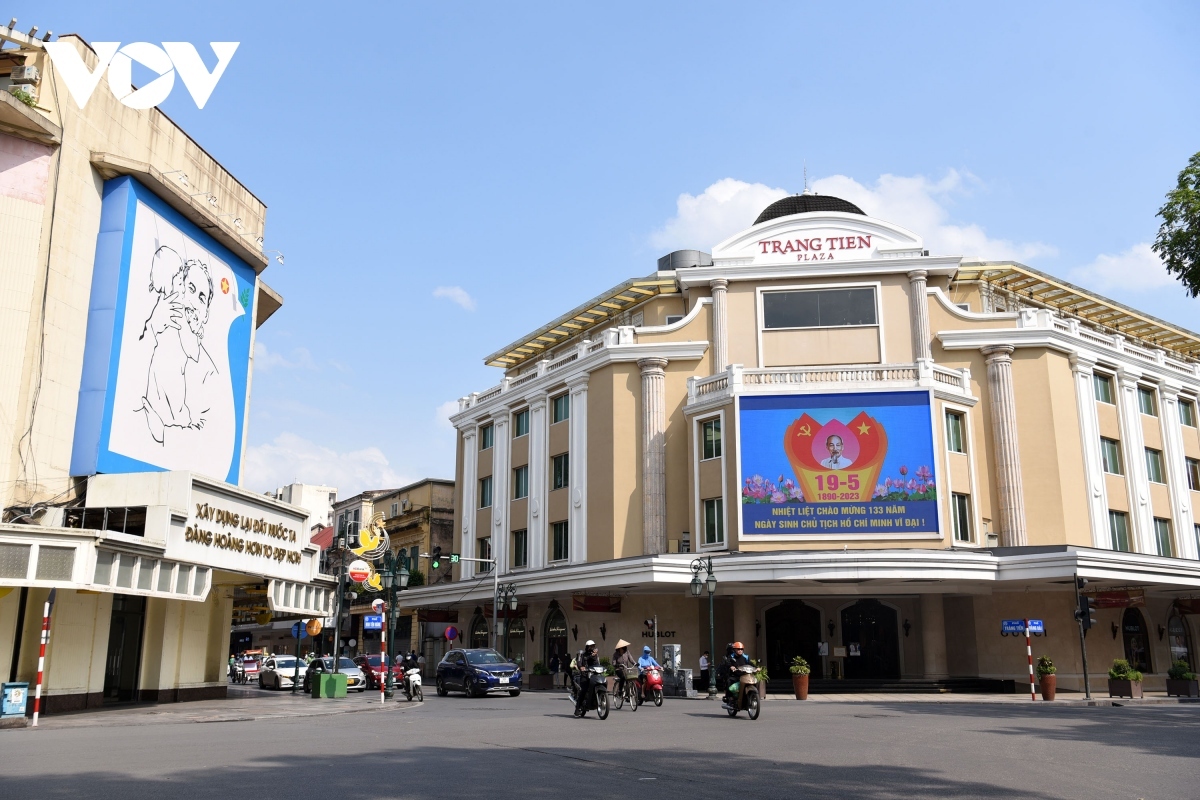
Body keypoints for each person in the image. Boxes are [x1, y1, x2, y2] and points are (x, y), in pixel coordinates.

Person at [721, 641, 753, 709]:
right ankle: (730, 700)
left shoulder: (745, 657)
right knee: (729, 681)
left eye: (741, 649)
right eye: (738, 649)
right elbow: (727, 663)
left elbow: (750, 664)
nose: (740, 651)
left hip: (744, 675)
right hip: (735, 676)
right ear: (734, 650)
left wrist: (756, 668)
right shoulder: (731, 657)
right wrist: (731, 667)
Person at [573, 640, 600, 717]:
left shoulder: (595, 655)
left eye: (593, 646)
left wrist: (594, 656)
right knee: (584, 690)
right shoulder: (582, 655)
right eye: (590, 646)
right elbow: (579, 663)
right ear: (587, 647)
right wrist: (581, 667)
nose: (592, 648)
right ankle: (577, 708)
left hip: (593, 675)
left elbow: (597, 664)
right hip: (585, 675)